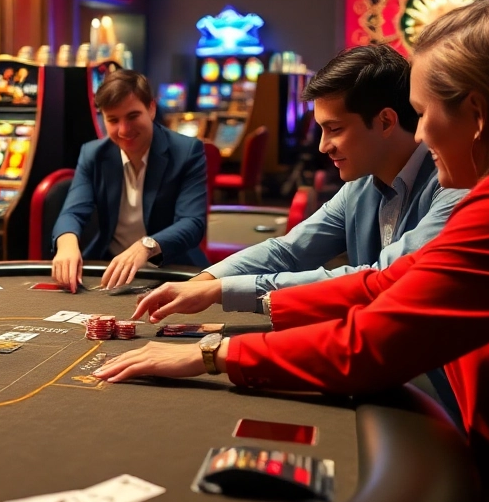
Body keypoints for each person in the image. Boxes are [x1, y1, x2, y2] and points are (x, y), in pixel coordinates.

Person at [96, 0, 489, 502]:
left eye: (423, 112)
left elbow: (370, 345)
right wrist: (220, 294)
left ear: (477, 114)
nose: (421, 135)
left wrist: (212, 354)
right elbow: (385, 285)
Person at [132, 45, 466, 321]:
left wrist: (221, 291)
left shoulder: (454, 186)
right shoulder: (361, 186)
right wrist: (205, 280)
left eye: (335, 129)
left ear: (386, 121)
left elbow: (381, 278)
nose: (322, 146)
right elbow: (289, 251)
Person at [51, 68, 208, 292]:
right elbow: (72, 212)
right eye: (113, 120)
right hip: (111, 268)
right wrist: (66, 243)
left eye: (133, 116)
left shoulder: (187, 151)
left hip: (171, 268)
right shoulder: (93, 154)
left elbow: (192, 222)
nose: (124, 130)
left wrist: (147, 246)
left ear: (151, 109)